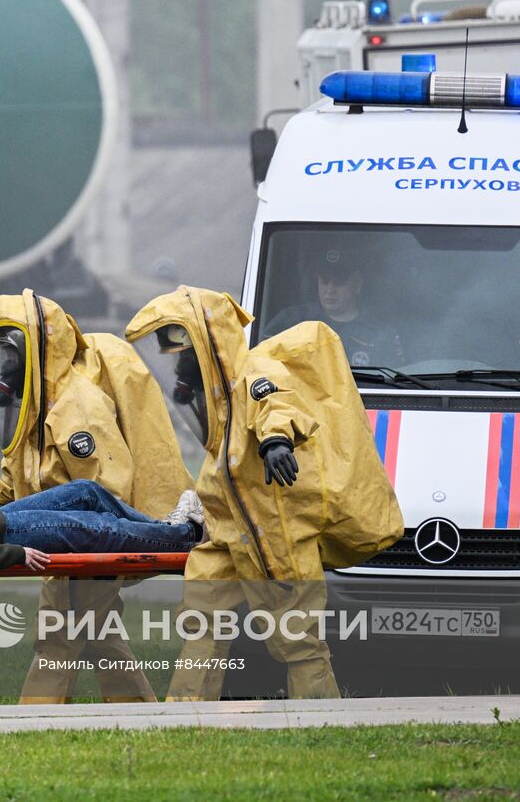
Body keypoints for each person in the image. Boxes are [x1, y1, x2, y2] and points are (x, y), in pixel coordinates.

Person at [127, 286, 403, 701]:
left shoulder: (255, 372)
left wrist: (276, 441)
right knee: (203, 620)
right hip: (229, 531)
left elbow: (277, 403)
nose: (177, 365)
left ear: (208, 344)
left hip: (276, 532)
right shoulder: (218, 400)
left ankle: (318, 715)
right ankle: (184, 714)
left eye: (181, 354)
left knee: (295, 634)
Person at [0, 289, 198, 703]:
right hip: (69, 545)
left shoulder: (75, 407)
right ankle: (140, 718)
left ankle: (32, 730)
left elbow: (105, 495)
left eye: (7, 355)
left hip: (94, 544)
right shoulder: (33, 407)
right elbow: (12, 476)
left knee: (57, 637)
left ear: (29, 349)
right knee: (97, 636)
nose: (1, 367)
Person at [0, 480, 204, 574]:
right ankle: (187, 536)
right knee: (96, 529)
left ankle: (169, 530)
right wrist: (14, 554)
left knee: (85, 491)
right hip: (2, 535)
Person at [266, 248, 403, 367]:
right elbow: (260, 358)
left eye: (338, 283)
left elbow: (393, 378)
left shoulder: (380, 331)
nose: (330, 290)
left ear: (357, 285)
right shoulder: (291, 320)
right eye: (324, 281)